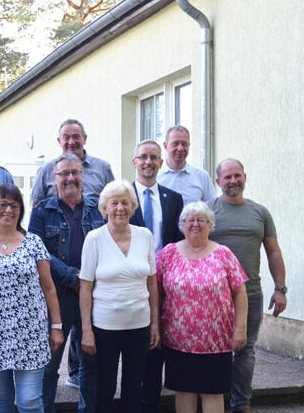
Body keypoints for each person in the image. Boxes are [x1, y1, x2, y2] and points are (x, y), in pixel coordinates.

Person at [0, 184, 64, 413]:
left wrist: (56, 326)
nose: (8, 210)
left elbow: (49, 288)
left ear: (21, 211)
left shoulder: (34, 243)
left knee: (29, 400)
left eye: (14, 205)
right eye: (2, 204)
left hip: (30, 334)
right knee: (0, 400)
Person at [30, 118, 114, 389]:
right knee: (49, 363)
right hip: (58, 293)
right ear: (54, 180)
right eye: (63, 174)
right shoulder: (43, 211)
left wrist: (87, 278)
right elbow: (37, 249)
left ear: (83, 176)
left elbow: (109, 244)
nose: (69, 178)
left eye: (74, 173)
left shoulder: (97, 209)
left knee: (91, 363)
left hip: (93, 293)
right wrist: (71, 276)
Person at [208, 158, 288, 413]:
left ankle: (241, 404)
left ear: (245, 177)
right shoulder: (207, 212)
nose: (233, 181)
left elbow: (273, 252)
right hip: (213, 296)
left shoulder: (260, 212)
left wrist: (281, 288)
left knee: (245, 351)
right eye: (227, 177)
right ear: (218, 181)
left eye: (237, 176)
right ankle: (214, 401)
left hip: (251, 293)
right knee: (213, 351)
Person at [157, 201, 248, 413]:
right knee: (184, 391)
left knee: (212, 392)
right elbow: (156, 291)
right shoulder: (169, 253)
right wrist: (156, 325)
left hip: (216, 340)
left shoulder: (223, 254)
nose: (195, 224)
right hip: (178, 339)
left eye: (201, 220)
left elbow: (240, 293)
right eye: (190, 220)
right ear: (182, 224)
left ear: (210, 225)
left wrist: (240, 329)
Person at [79, 180, 160, 413]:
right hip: (105, 326)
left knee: (134, 387)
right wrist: (86, 330)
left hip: (140, 323)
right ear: (104, 208)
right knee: (104, 388)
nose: (120, 208)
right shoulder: (94, 239)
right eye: (114, 203)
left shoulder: (145, 235)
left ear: (133, 207)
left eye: (125, 203)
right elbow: (85, 287)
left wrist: (155, 324)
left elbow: (152, 283)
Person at [127, 140, 184, 413]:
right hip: (130, 281)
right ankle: (130, 401)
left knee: (155, 344)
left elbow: (176, 242)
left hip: (163, 282)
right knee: (131, 344)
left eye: (153, 157)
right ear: (134, 162)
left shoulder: (173, 199)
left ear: (161, 163)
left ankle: (149, 403)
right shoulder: (122, 197)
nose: (148, 162)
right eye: (143, 157)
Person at [31, 119, 114, 206]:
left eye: (76, 137)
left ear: (84, 139)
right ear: (59, 141)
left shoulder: (103, 168)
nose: (71, 142)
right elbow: (36, 207)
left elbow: (113, 202)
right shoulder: (45, 170)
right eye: (66, 138)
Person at [157, 125, 215, 204]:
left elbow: (212, 208)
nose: (180, 148)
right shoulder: (156, 177)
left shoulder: (201, 176)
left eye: (184, 144)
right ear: (165, 146)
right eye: (175, 143)